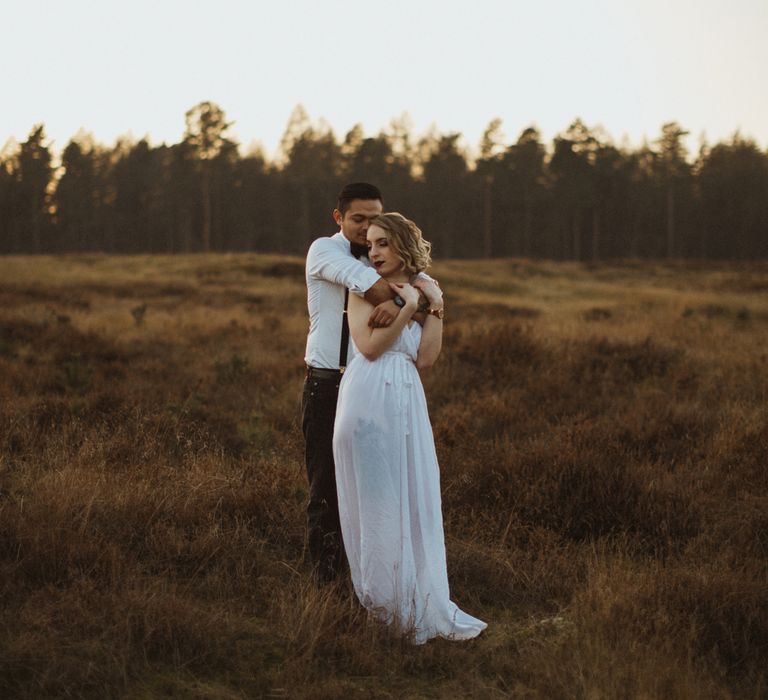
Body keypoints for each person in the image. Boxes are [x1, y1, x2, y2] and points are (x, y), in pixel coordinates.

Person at [333, 212, 487, 643]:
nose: (374, 252)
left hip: (406, 398)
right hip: (366, 399)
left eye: (383, 243)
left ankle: (416, 598)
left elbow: (426, 359)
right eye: (371, 244)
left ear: (402, 245)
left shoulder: (426, 289)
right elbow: (370, 346)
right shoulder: (363, 287)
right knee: (377, 503)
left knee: (413, 496)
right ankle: (384, 608)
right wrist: (409, 307)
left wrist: (431, 305)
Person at [303, 183, 406, 584]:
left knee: (377, 491)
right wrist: (410, 297)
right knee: (327, 490)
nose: (366, 228)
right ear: (339, 218)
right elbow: (373, 285)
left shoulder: (384, 254)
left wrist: (421, 291)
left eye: (373, 218)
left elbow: (424, 285)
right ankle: (329, 590)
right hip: (328, 386)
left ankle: (376, 583)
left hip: (373, 387)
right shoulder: (324, 250)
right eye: (358, 219)